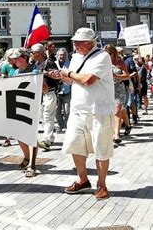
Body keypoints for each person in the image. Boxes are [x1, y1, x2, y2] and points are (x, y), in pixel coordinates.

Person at [49, 27, 116, 200]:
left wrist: (68, 73)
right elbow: (73, 80)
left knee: (101, 149)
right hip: (78, 109)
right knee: (75, 144)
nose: (75, 45)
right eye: (74, 42)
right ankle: (83, 179)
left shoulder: (102, 56)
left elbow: (88, 80)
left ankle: (101, 185)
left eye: (78, 42)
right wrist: (61, 77)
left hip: (98, 110)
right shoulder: (76, 57)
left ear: (89, 43)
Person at [8, 48, 38, 175]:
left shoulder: (34, 71)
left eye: (17, 58)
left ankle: (32, 164)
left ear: (24, 58)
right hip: (18, 105)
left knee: (31, 135)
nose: (15, 60)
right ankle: (26, 157)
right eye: (13, 58)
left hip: (31, 106)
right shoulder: (15, 72)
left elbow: (44, 89)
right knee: (19, 134)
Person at [31, 43, 59, 151]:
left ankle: (47, 140)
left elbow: (57, 75)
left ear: (38, 53)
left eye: (32, 52)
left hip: (50, 92)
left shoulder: (48, 62)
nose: (31, 54)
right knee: (43, 117)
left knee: (48, 116)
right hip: (41, 93)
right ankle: (50, 138)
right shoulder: (37, 64)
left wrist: (44, 73)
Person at [104, 44, 130, 143]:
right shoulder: (103, 63)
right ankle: (127, 124)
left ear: (113, 53)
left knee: (117, 110)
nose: (107, 55)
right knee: (120, 110)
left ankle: (116, 135)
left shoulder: (120, 62)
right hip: (107, 89)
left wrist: (115, 76)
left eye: (109, 53)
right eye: (105, 54)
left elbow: (126, 75)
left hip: (119, 88)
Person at [55, 48, 71, 133]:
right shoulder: (54, 64)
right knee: (57, 110)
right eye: (60, 55)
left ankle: (68, 126)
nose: (62, 56)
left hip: (67, 89)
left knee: (67, 110)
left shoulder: (70, 64)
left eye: (64, 55)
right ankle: (60, 125)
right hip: (57, 90)